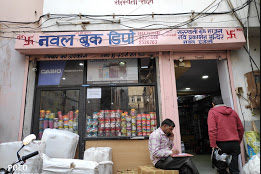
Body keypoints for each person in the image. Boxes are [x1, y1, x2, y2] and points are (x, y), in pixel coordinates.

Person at [208, 96, 244, 174]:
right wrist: (238, 141)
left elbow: (212, 130)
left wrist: (213, 145)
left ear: (213, 104)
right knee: (234, 169)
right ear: (223, 103)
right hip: (234, 143)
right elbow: (241, 128)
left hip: (221, 145)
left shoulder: (212, 112)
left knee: (221, 169)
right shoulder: (233, 112)